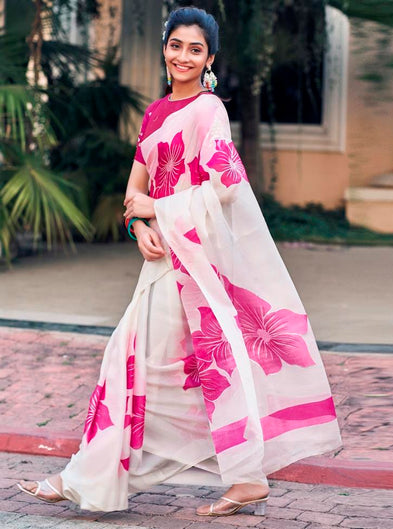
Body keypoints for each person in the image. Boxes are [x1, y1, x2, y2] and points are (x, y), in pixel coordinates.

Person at [17, 6, 342, 517]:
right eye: (176, 45)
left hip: (190, 261)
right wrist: (139, 224)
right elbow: (133, 194)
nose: (183, 56)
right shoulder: (155, 113)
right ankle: (242, 477)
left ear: (209, 58)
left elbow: (229, 188)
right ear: (164, 48)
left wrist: (159, 210)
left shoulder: (209, 110)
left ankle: (86, 478)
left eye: (196, 49)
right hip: (162, 257)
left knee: (133, 364)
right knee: (183, 372)